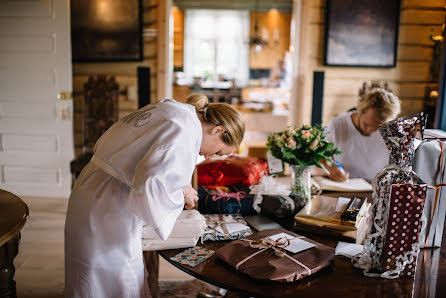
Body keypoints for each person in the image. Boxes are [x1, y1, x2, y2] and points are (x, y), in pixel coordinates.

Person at [64, 93, 245, 297]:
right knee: (112, 269)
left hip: (94, 184)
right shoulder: (185, 129)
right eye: (219, 151)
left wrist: (179, 186)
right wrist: (181, 193)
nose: (210, 156)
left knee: (95, 267)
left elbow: (149, 160)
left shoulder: (177, 111)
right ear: (218, 130)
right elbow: (152, 186)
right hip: (108, 201)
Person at [322, 83, 401, 183]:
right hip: (344, 186)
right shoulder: (337, 125)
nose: (369, 130)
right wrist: (330, 169)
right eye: (366, 124)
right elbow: (321, 155)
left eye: (376, 127)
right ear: (360, 110)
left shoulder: (391, 131)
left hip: (376, 189)